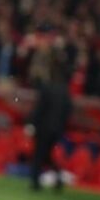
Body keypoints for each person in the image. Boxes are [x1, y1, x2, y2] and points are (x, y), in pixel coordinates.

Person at [28, 58, 72, 191]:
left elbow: (40, 109)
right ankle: (58, 177)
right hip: (56, 129)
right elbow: (68, 110)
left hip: (43, 128)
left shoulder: (47, 88)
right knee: (47, 154)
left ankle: (35, 182)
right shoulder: (65, 91)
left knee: (39, 154)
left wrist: (31, 123)